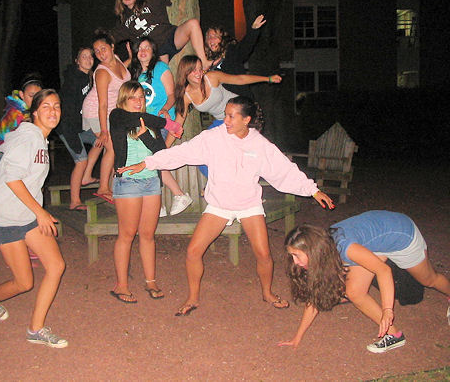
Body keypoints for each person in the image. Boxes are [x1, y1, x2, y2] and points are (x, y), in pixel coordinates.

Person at [118, 96, 334, 316]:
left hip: (248, 204)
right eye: (225, 115)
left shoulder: (259, 144)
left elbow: (283, 169)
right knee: (193, 251)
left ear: (246, 120)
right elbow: (181, 153)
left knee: (263, 254)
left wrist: (312, 190)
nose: (226, 120)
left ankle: (267, 293)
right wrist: (147, 163)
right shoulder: (213, 138)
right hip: (219, 205)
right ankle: (192, 298)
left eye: (231, 116)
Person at [280, 211, 450, 353]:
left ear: (313, 251)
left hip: (401, 234)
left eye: (297, 255)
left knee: (429, 279)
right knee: (354, 292)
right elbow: (315, 296)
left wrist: (388, 310)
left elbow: (383, 271)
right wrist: (297, 337)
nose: (295, 262)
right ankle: (394, 335)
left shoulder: (345, 249)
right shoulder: (324, 250)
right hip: (374, 242)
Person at [0, 89, 68, 349]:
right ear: (34, 112)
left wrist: (37, 212)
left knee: (56, 266)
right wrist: (41, 212)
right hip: (6, 218)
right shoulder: (27, 138)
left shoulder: (40, 139)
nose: (52, 111)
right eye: (46, 106)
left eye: (56, 106)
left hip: (26, 215)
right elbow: (12, 179)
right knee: (24, 282)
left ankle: (35, 330)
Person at [107, 82, 183, 303]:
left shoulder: (148, 122)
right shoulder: (117, 116)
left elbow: (161, 153)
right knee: (127, 234)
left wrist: (145, 136)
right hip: (128, 181)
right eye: (133, 97)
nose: (138, 101)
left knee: (148, 235)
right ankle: (121, 285)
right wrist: (169, 123)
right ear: (123, 100)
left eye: (141, 97)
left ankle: (151, 281)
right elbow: (138, 119)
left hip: (151, 181)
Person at [174, 55, 282, 177]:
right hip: (222, 122)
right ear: (185, 72)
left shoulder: (211, 77)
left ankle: (270, 168)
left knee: (237, 152)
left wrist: (267, 79)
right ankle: (220, 182)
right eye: (194, 70)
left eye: (200, 69)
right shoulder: (186, 96)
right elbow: (178, 123)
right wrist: (164, 147)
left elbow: (240, 79)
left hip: (239, 115)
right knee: (202, 152)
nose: (199, 73)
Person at [129, 38, 192, 216]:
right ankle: (159, 204)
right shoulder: (136, 73)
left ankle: (177, 195)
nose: (143, 51)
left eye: (147, 48)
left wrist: (164, 109)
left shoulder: (161, 68)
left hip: (161, 121)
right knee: (150, 159)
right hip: (144, 122)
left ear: (153, 51)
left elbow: (172, 95)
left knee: (153, 158)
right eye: (139, 48)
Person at [112, 0, 210, 68]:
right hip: (155, 51)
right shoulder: (123, 22)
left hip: (170, 37)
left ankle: (204, 62)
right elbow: (111, 38)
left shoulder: (149, 0)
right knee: (162, 72)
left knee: (193, 24)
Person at [81, 32, 132, 203]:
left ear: (112, 47)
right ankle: (103, 188)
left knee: (113, 147)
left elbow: (121, 74)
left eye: (103, 49)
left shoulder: (116, 59)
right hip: (96, 111)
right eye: (97, 51)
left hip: (111, 112)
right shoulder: (102, 73)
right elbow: (102, 104)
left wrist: (131, 58)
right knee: (111, 148)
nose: (101, 54)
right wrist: (103, 131)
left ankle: (109, 185)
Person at [57, 47, 102, 211]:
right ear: (77, 61)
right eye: (84, 56)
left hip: (81, 126)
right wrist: (73, 139)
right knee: (81, 160)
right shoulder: (73, 80)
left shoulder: (89, 77)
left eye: (90, 56)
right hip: (67, 127)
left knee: (101, 141)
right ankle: (75, 201)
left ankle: (87, 176)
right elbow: (67, 112)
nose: (88, 59)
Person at [0, 73, 43, 176]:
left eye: (38, 96)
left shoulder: (30, 111)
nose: (35, 100)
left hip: (9, 155)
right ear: (22, 95)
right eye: (31, 96)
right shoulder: (16, 114)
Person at [204, 14, 266, 98]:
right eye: (209, 37)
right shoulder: (206, 60)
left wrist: (253, 30)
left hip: (240, 99)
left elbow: (244, 48)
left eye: (215, 36)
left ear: (222, 38)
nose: (211, 40)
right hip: (222, 103)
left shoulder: (231, 52)